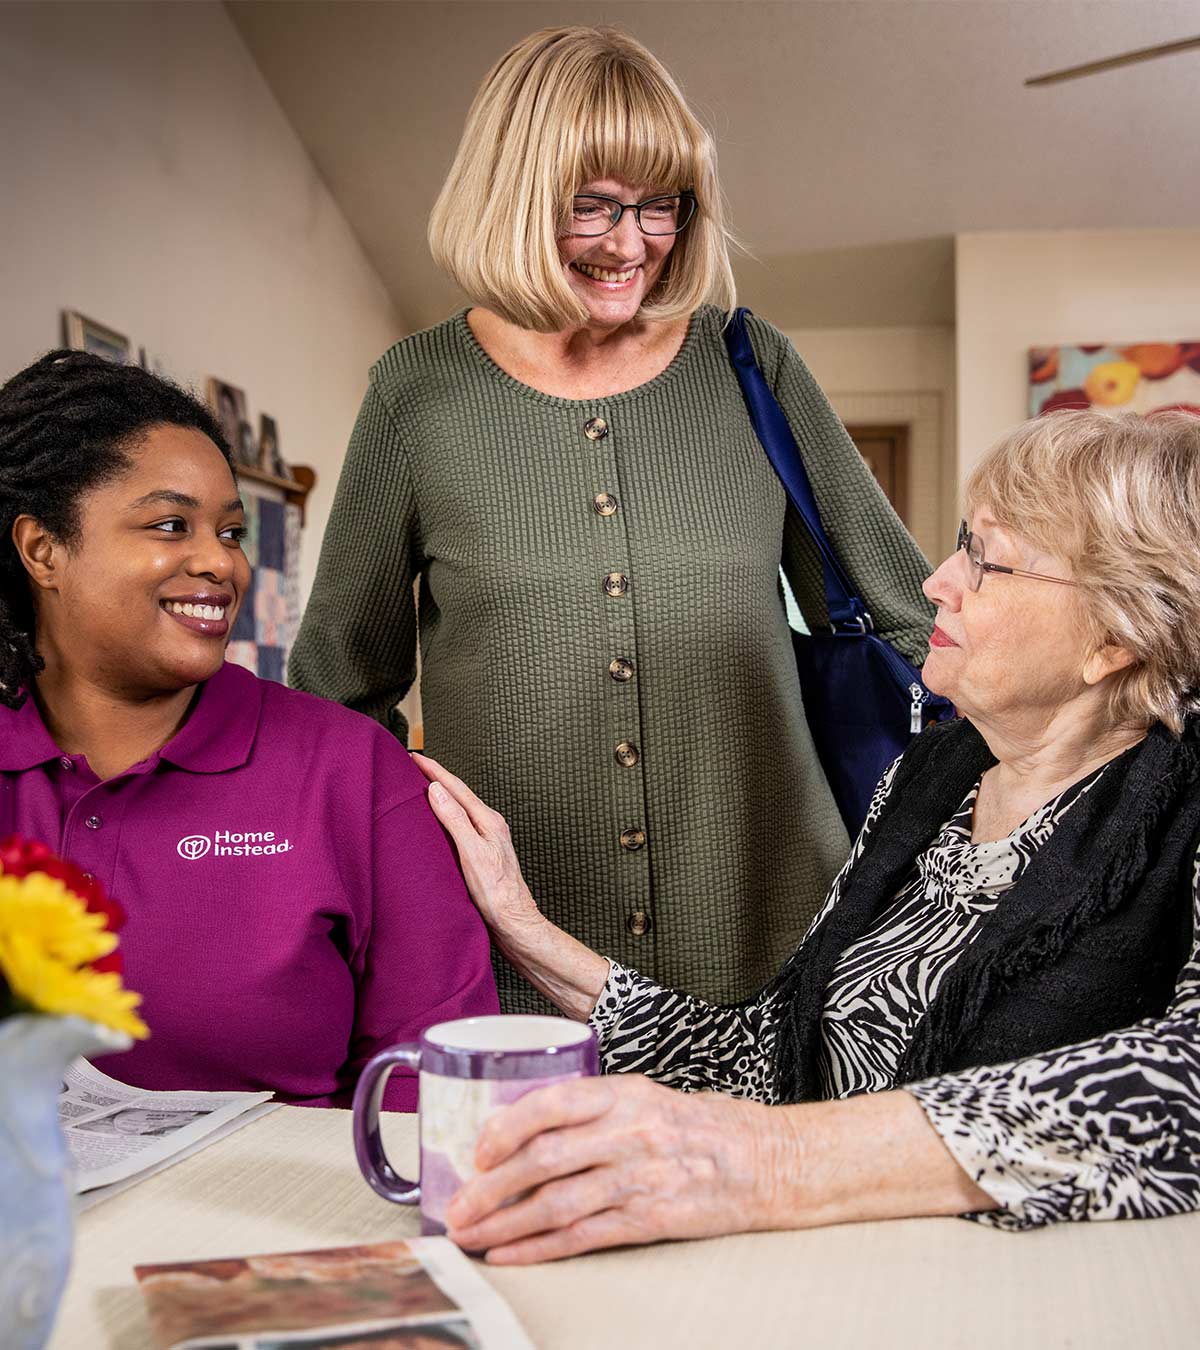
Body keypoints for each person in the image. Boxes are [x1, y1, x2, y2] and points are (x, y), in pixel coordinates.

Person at [415, 408, 1200, 1261]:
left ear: (1117, 639)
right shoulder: (930, 779)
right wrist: (521, 928)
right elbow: (773, 1056)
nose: (939, 580)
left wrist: (768, 1161)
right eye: (960, 544)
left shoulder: (1182, 805)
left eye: (990, 559)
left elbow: (1183, 1083)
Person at [289, 26, 933, 1014]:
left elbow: (908, 621)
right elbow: (341, 689)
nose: (630, 243)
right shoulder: (416, 394)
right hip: (512, 970)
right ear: (513, 195)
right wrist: (416, 880)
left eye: (659, 204)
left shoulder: (751, 369)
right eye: (590, 204)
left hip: (774, 949)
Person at [0, 350, 498, 1111]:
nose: (220, 564)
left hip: (281, 1223)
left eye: (230, 533)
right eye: (171, 525)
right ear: (43, 551)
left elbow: (436, 1086)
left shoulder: (353, 772)